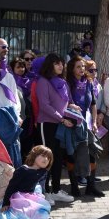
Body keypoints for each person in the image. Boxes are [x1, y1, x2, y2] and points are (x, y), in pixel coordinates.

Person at [36, 53, 76, 203]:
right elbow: (45, 105)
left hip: (61, 125)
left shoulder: (63, 82)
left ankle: (56, 189)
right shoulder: (43, 81)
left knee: (58, 158)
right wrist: (62, 119)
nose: (61, 66)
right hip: (47, 125)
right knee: (45, 158)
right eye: (57, 63)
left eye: (62, 63)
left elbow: (69, 101)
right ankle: (45, 191)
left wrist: (74, 108)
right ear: (49, 65)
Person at [66, 56, 104, 197]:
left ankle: (91, 186)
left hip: (87, 123)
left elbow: (93, 104)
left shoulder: (88, 82)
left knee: (92, 154)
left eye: (83, 66)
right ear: (71, 68)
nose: (82, 69)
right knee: (72, 155)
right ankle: (74, 186)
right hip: (73, 123)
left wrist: (94, 122)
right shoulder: (67, 83)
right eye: (78, 66)